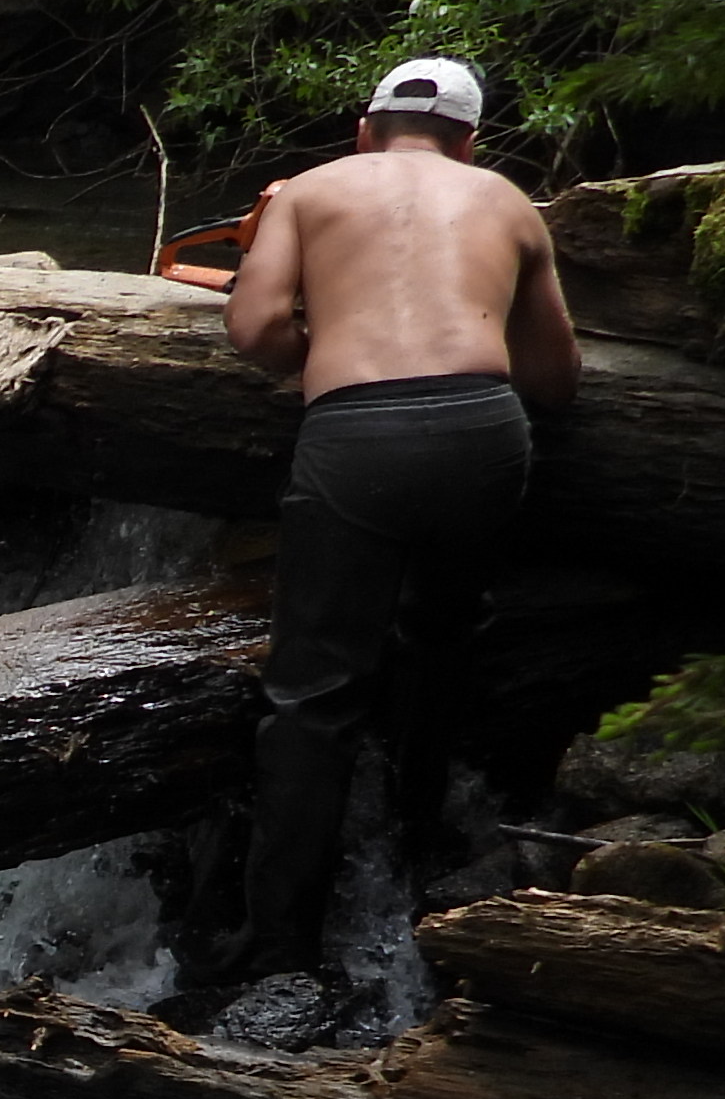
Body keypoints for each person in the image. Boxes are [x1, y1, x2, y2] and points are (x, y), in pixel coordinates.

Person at [213, 53, 584, 985]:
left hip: (358, 439)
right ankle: (424, 845)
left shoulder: (307, 189)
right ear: (469, 139)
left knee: (311, 698)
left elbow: (254, 332)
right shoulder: (505, 199)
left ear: (365, 129)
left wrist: (329, 333)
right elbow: (556, 379)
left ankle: (279, 951)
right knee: (444, 636)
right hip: (483, 433)